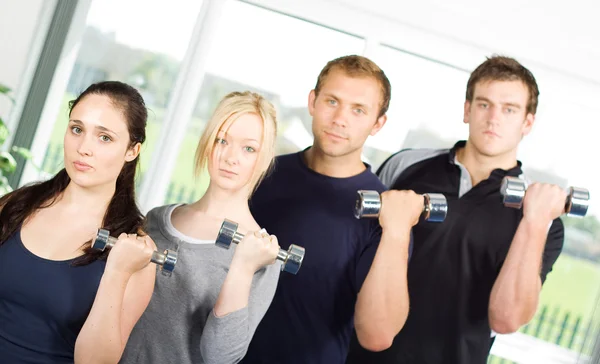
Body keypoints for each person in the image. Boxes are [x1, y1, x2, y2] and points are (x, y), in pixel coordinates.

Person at [346, 55, 566, 364]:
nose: (494, 118)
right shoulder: (405, 167)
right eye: (484, 104)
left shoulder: (542, 219)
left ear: (527, 122)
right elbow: (350, 258)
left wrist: (535, 220)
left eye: (509, 109)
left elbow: (506, 320)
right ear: (467, 110)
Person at [240, 55, 426, 364]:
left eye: (358, 110)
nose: (340, 119)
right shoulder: (260, 172)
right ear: (313, 101)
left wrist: (397, 231)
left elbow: (377, 335)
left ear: (377, 123)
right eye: (332, 101)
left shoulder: (384, 214)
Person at [0, 81, 157, 364]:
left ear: (132, 150)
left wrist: (117, 273)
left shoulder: (134, 251)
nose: (84, 148)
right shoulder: (15, 206)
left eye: (105, 137)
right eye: (77, 129)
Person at [120, 91, 283, 364]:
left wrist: (242, 267)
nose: (231, 157)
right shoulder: (157, 220)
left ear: (263, 158)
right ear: (208, 143)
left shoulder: (263, 256)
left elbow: (220, 357)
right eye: (222, 140)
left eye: (249, 148)